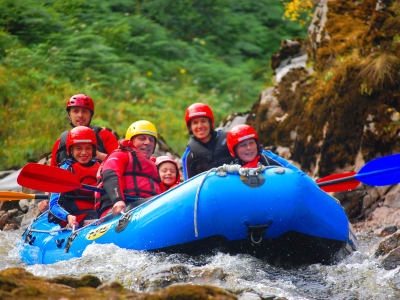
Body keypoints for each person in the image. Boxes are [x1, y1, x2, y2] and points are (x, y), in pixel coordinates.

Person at [95, 120, 161, 218]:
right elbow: (110, 175)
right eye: (142, 138)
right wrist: (118, 200)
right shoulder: (120, 155)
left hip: (146, 207)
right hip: (120, 209)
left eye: (151, 140)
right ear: (131, 141)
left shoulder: (154, 167)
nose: (147, 142)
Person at [48, 126, 100, 228]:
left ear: (93, 150)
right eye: (79, 148)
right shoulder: (65, 170)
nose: (84, 153)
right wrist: (67, 217)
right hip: (73, 215)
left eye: (88, 148)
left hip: (97, 212)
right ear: (71, 150)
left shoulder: (101, 166)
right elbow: (53, 205)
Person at [50, 94, 118, 167]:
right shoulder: (60, 143)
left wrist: (101, 156)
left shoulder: (105, 136)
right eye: (76, 111)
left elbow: (120, 162)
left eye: (84, 111)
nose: (80, 115)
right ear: (70, 114)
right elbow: (52, 172)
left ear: (90, 115)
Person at [182, 103, 233, 180]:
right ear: (190, 127)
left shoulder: (229, 140)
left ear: (210, 123)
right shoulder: (189, 155)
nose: (200, 126)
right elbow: (188, 185)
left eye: (203, 121)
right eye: (195, 123)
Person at [226, 124, 299, 170]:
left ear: (257, 145)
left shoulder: (269, 159)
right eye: (243, 145)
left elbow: (296, 174)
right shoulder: (231, 169)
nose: (249, 148)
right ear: (234, 151)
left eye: (251, 143)